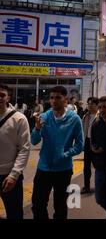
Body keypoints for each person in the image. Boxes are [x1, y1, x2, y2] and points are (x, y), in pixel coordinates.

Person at [31, 86, 84, 219]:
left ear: (65, 99)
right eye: (52, 98)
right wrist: (37, 129)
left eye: (58, 97)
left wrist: (65, 155)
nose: (54, 101)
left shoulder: (74, 119)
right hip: (43, 168)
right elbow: (33, 141)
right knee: (38, 204)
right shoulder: (44, 117)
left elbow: (79, 145)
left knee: (60, 207)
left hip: (63, 170)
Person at [0, 84, 31, 219]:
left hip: (9, 176)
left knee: (14, 213)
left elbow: (24, 149)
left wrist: (14, 175)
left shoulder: (19, 118)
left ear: (8, 97)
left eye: (2, 95)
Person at [81, 97, 99, 194]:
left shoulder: (100, 116)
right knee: (86, 166)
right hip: (87, 142)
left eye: (91, 104)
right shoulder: (86, 116)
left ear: (97, 105)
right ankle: (86, 186)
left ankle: (100, 186)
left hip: (96, 143)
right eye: (88, 104)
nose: (89, 106)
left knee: (98, 166)